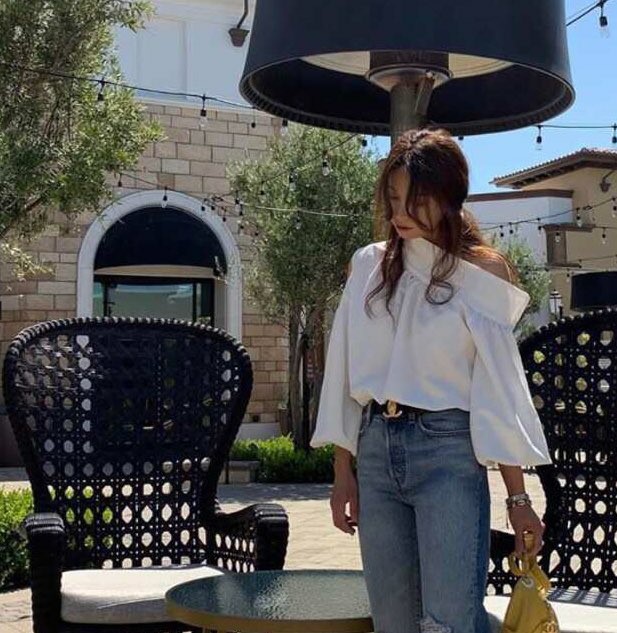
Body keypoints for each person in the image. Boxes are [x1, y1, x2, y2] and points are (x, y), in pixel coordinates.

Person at [309, 128, 552, 633]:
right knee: (393, 623)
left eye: (415, 201)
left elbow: (496, 391)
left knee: (449, 623)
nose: (400, 213)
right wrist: (342, 472)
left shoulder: (481, 273)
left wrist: (519, 499)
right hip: (376, 451)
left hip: (447, 452)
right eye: (393, 198)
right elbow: (344, 370)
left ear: (448, 198)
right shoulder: (369, 264)